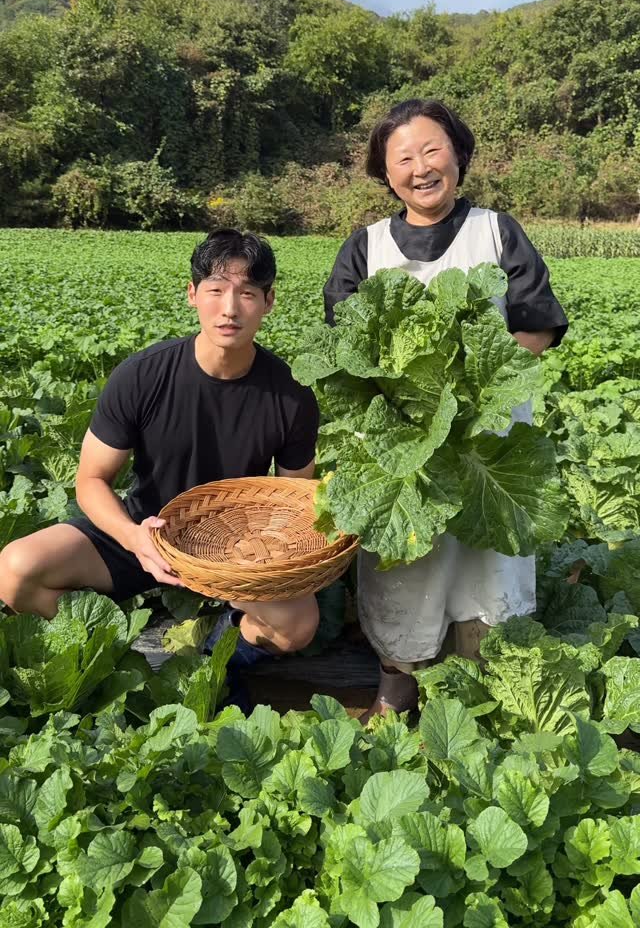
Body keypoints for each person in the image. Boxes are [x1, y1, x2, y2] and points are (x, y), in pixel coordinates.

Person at [323, 99, 568, 722]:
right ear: (386, 171)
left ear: (458, 154)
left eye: (433, 150)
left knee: (489, 560)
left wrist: (466, 387)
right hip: (402, 443)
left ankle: (484, 684)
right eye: (402, 157)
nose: (421, 167)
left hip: (488, 437)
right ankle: (400, 682)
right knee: (402, 557)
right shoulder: (366, 247)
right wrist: (418, 402)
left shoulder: (496, 230)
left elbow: (536, 326)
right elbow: (343, 347)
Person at [0, 229, 321, 674]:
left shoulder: (291, 395)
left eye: (247, 293)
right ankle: (110, 657)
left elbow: (295, 503)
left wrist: (252, 566)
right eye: (215, 290)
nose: (230, 308)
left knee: (298, 625)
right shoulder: (142, 376)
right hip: (143, 530)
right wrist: (137, 538)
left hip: (233, 550)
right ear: (192, 294)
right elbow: (91, 481)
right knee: (16, 568)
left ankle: (221, 656)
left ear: (268, 301)